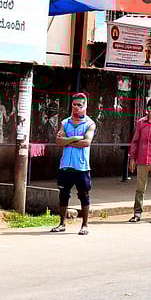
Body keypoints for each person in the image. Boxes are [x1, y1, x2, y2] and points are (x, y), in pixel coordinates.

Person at [51, 93, 96, 235]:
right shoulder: (65, 123)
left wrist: (67, 140)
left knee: (84, 194)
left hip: (81, 166)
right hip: (65, 165)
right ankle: (62, 223)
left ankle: (85, 224)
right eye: (74, 104)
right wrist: (75, 138)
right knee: (63, 194)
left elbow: (86, 142)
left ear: (85, 106)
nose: (76, 108)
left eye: (80, 105)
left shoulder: (90, 124)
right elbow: (58, 141)